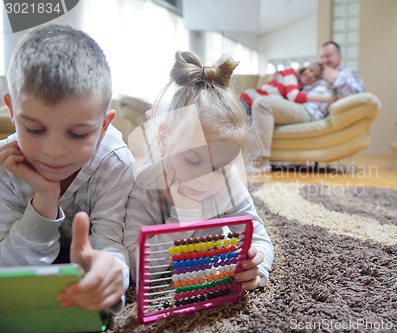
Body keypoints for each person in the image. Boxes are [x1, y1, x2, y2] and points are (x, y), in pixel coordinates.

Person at [0, 24, 135, 312]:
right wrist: (45, 198)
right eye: (34, 129)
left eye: (77, 134)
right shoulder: (6, 164)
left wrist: (111, 272)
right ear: (12, 111)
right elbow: (8, 269)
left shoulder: (115, 163)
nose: (55, 151)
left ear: (103, 126)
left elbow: (112, 244)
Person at [124, 51, 274, 290]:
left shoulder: (227, 181)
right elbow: (135, 268)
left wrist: (258, 264)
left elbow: (257, 235)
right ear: (164, 140)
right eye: (193, 161)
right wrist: (184, 219)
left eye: (219, 168)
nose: (205, 180)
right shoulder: (144, 188)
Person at [250, 41, 365, 172]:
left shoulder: (346, 73)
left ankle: (261, 162)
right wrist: (275, 78)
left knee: (262, 103)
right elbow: (293, 89)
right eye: (322, 56)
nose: (324, 60)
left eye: (329, 56)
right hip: (296, 106)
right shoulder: (317, 74)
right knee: (257, 105)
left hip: (310, 112)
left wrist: (336, 78)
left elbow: (359, 95)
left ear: (339, 57)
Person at [240, 62, 333, 109]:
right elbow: (293, 96)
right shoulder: (291, 72)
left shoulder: (302, 91)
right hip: (247, 100)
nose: (311, 75)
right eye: (311, 70)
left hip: (258, 108)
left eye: (315, 76)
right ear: (305, 69)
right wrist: (325, 98)